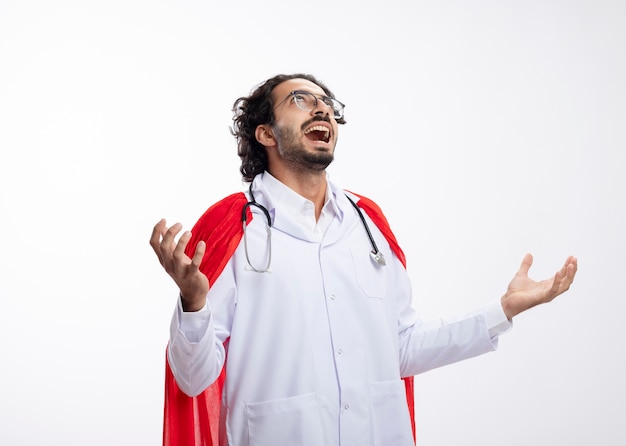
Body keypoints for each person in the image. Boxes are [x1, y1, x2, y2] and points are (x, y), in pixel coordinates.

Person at [150, 73, 578, 446]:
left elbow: (402, 347)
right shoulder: (231, 226)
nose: (321, 109)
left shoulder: (368, 223)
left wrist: (502, 310)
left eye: (327, 104)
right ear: (266, 133)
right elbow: (194, 379)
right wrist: (194, 305)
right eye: (300, 100)